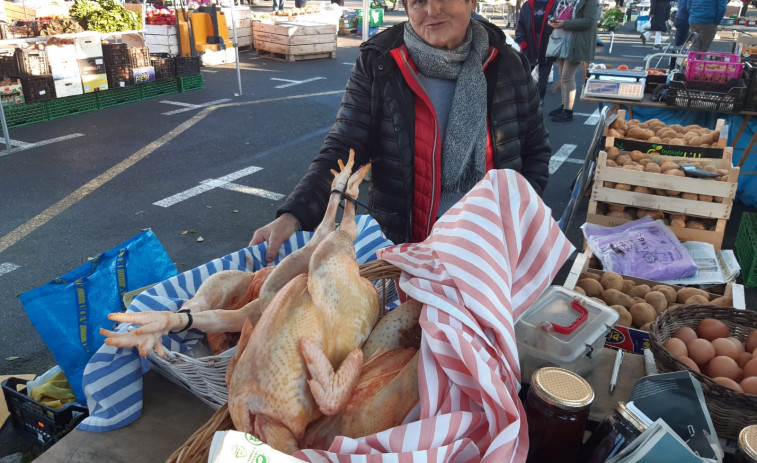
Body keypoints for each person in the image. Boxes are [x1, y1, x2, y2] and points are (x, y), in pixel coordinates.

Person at [250, 0, 552, 258]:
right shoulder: (380, 63)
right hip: (405, 247)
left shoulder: (508, 64)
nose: (432, 9)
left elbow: (535, 149)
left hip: (491, 247)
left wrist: (519, 217)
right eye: (418, 0)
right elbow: (344, 149)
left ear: (472, 2)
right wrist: (294, 213)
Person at [546, 0, 599, 123]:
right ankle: (564, 106)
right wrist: (553, 21)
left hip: (576, 43)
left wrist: (564, 23)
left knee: (567, 76)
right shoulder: (564, 1)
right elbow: (557, 15)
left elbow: (589, 21)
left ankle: (568, 111)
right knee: (562, 75)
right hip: (560, 39)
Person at [515, 0, 557, 102]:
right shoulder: (527, 5)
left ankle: (539, 98)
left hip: (548, 44)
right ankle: (523, 96)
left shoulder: (556, 4)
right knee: (524, 72)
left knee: (544, 74)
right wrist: (523, 43)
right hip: (530, 43)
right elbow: (519, 26)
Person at [669, 0, 689, 69]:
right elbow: (688, 8)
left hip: (679, 18)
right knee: (680, 45)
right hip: (684, 20)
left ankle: (675, 64)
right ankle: (675, 65)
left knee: (678, 44)